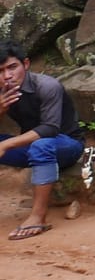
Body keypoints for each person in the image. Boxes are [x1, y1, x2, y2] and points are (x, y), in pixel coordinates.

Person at [0, 44, 85, 240]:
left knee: (42, 145)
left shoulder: (47, 86)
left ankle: (38, 217)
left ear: (26, 64)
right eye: (0, 71)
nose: (7, 76)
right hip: (29, 148)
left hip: (66, 144)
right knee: (37, 147)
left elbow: (50, 129)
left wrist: (5, 145)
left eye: (12, 67)